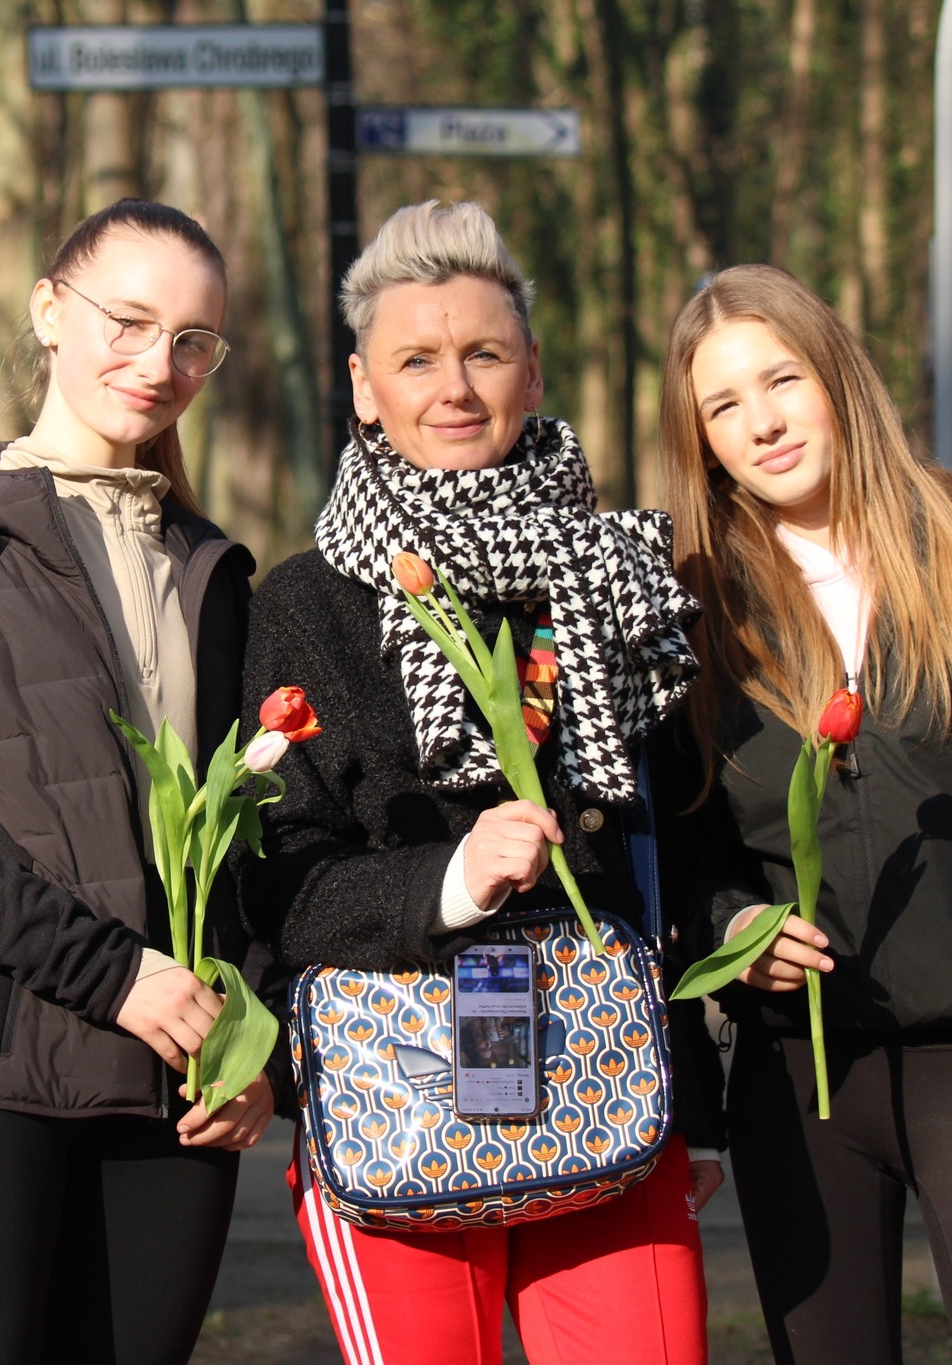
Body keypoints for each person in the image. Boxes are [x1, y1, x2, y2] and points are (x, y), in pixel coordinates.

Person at [239, 200, 726, 1365]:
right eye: (416, 359)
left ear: (530, 370)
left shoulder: (616, 576)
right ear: (364, 387)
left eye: (483, 353)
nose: (452, 387)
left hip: (609, 1082)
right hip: (392, 1094)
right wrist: (449, 879)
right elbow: (276, 892)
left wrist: (695, 1104)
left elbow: (672, 845)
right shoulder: (303, 606)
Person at [0, 199, 286, 1365]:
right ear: (47, 310)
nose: (158, 363)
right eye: (127, 321)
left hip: (174, 1101)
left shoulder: (214, 570)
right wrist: (110, 973)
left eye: (193, 340)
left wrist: (254, 1048)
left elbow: (253, 854)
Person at [659, 264, 952, 1365]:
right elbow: (685, 859)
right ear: (700, 439)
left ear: (838, 375)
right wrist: (738, 931)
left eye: (779, 380)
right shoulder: (693, 621)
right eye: (722, 405)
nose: (762, 422)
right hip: (799, 1080)